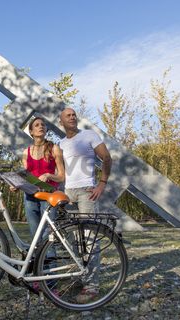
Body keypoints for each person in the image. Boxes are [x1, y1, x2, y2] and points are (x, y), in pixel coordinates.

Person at [58, 107, 112, 303]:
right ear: (61, 122)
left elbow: (106, 158)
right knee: (73, 239)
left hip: (86, 191)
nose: (72, 117)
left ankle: (92, 285)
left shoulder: (89, 135)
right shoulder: (61, 143)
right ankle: (81, 276)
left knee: (89, 239)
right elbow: (62, 172)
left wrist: (102, 183)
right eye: (68, 116)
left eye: (74, 115)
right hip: (68, 193)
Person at [21, 116, 65, 239]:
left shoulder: (54, 149)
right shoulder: (26, 152)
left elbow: (61, 177)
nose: (41, 126)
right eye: (37, 125)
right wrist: (15, 184)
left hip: (49, 195)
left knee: (48, 235)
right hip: (30, 196)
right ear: (31, 132)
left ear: (46, 129)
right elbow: (25, 177)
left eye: (43, 125)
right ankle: (38, 258)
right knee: (35, 236)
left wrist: (48, 175)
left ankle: (50, 258)